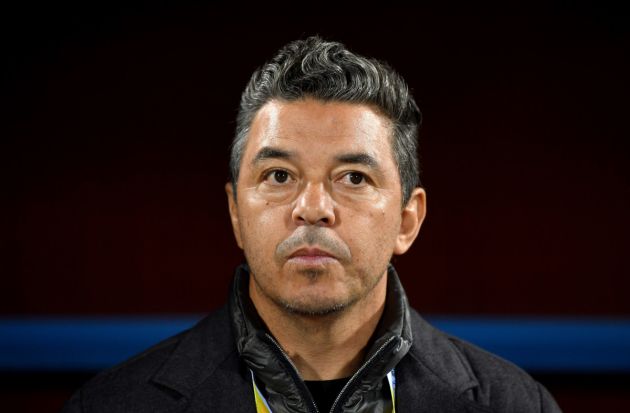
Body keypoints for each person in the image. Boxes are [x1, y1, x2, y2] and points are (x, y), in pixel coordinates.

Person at [61, 36, 561, 413]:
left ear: (408, 219)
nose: (313, 207)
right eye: (279, 175)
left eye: (353, 177)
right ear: (236, 213)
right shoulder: (111, 405)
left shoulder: (518, 405)